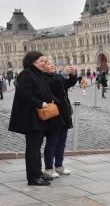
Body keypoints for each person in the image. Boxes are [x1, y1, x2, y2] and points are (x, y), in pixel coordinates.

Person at [8, 51, 60, 186]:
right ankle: (33, 178)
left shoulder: (37, 74)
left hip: (38, 116)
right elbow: (25, 94)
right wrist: (40, 103)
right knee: (33, 148)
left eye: (44, 61)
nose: (43, 63)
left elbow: (43, 91)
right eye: (41, 61)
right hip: (30, 117)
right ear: (33, 62)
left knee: (36, 147)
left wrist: (51, 101)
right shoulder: (26, 74)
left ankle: (38, 173)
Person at [42, 58, 77, 179]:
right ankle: (48, 168)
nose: (52, 65)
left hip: (64, 113)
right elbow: (53, 84)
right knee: (52, 141)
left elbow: (69, 83)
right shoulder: (44, 78)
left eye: (53, 63)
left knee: (61, 141)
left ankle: (59, 165)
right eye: (49, 64)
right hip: (53, 114)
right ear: (43, 66)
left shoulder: (56, 76)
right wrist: (63, 74)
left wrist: (72, 74)